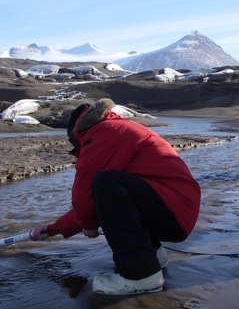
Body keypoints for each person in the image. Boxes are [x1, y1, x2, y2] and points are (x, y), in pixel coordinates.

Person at [30, 98, 201, 295]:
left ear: (76, 132)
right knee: (113, 189)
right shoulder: (116, 127)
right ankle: (153, 255)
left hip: (173, 210)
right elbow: (91, 203)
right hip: (175, 208)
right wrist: (53, 229)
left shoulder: (104, 133)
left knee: (105, 182)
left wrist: (89, 224)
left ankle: (140, 276)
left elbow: (84, 196)